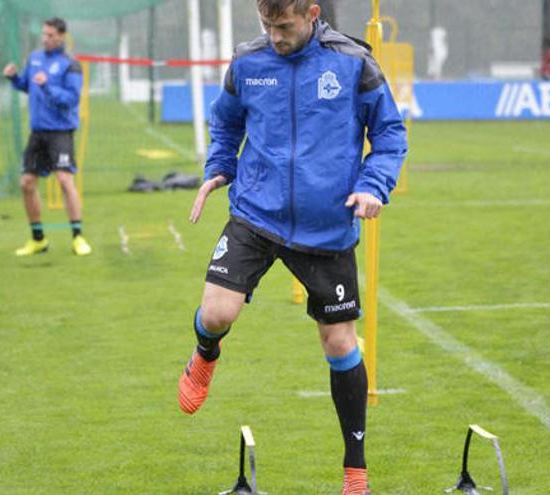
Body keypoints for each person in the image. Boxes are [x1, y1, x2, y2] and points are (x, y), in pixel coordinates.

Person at [176, 1, 407, 493]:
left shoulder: (353, 62)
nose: (275, 36)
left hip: (327, 226)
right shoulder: (247, 63)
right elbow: (227, 124)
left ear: (312, 14)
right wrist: (220, 167)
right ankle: (204, 354)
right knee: (216, 313)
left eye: (283, 26)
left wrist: (374, 185)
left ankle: (355, 471)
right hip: (256, 214)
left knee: (340, 344)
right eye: (267, 25)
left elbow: (388, 134)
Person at [2, 17, 91, 257]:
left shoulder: (70, 64)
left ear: (61, 36)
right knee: (26, 183)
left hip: (60, 131)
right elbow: (27, 85)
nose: (45, 38)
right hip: (38, 131)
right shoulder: (35, 59)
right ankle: (38, 238)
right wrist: (14, 78)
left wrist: (47, 86)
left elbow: (71, 99)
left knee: (64, 180)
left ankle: (77, 236)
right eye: (44, 34)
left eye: (50, 35)